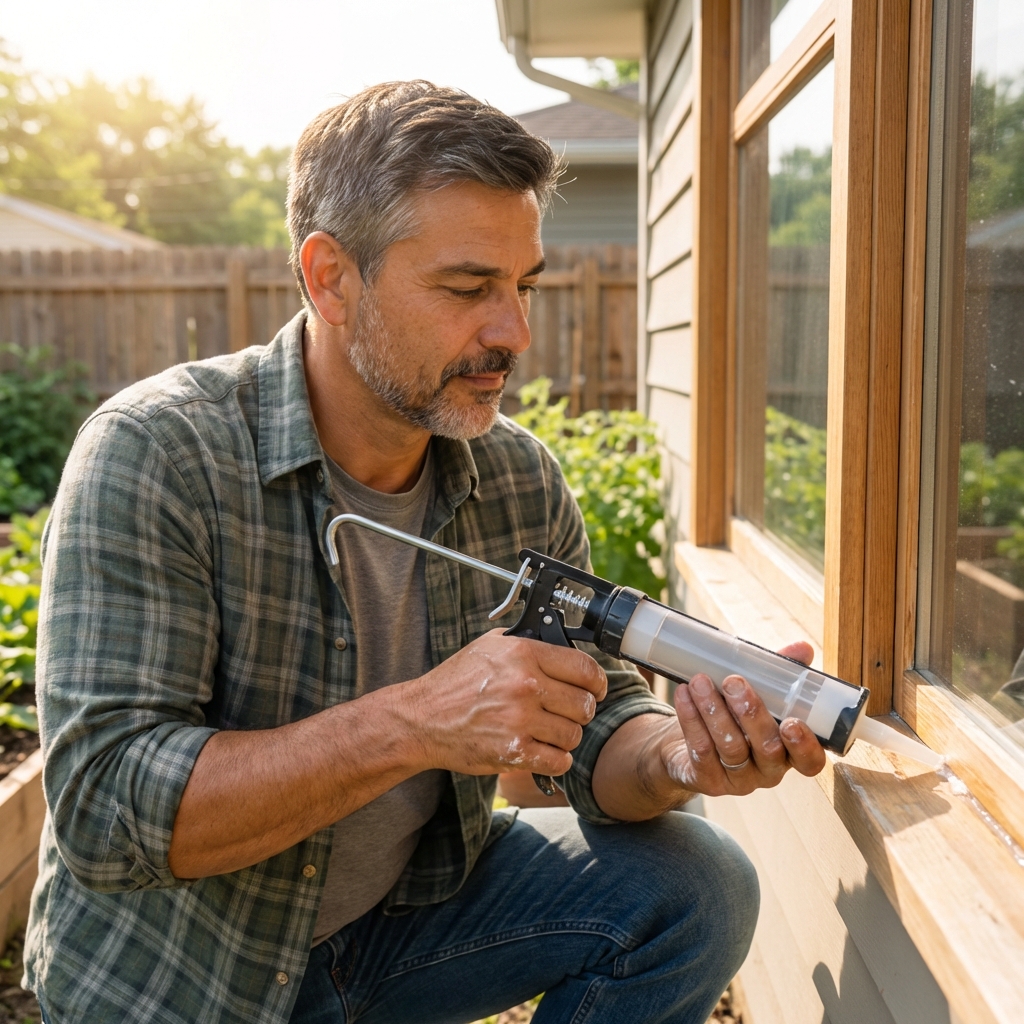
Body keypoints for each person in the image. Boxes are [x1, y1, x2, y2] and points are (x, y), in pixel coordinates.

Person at [24, 81, 825, 1024]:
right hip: (189, 977)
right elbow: (103, 811)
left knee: (699, 883)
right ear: (329, 277)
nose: (513, 333)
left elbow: (597, 723)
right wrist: (416, 721)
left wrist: (681, 759)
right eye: (467, 288)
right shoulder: (158, 455)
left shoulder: (518, 480)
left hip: (402, 926)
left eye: (522, 285)